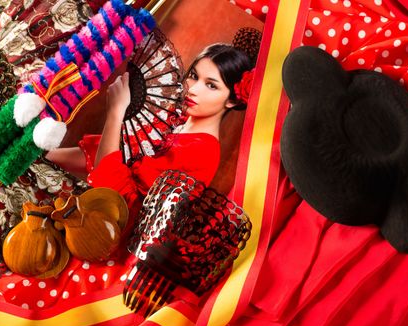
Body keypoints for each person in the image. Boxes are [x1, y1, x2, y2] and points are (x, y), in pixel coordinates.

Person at [47, 43, 253, 219]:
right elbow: (114, 153)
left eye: (211, 85)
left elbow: (115, 196)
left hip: (115, 222)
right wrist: (45, 156)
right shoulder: (176, 119)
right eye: (193, 75)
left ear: (233, 99)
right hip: (94, 203)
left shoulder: (202, 152)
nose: (192, 88)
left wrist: (115, 113)